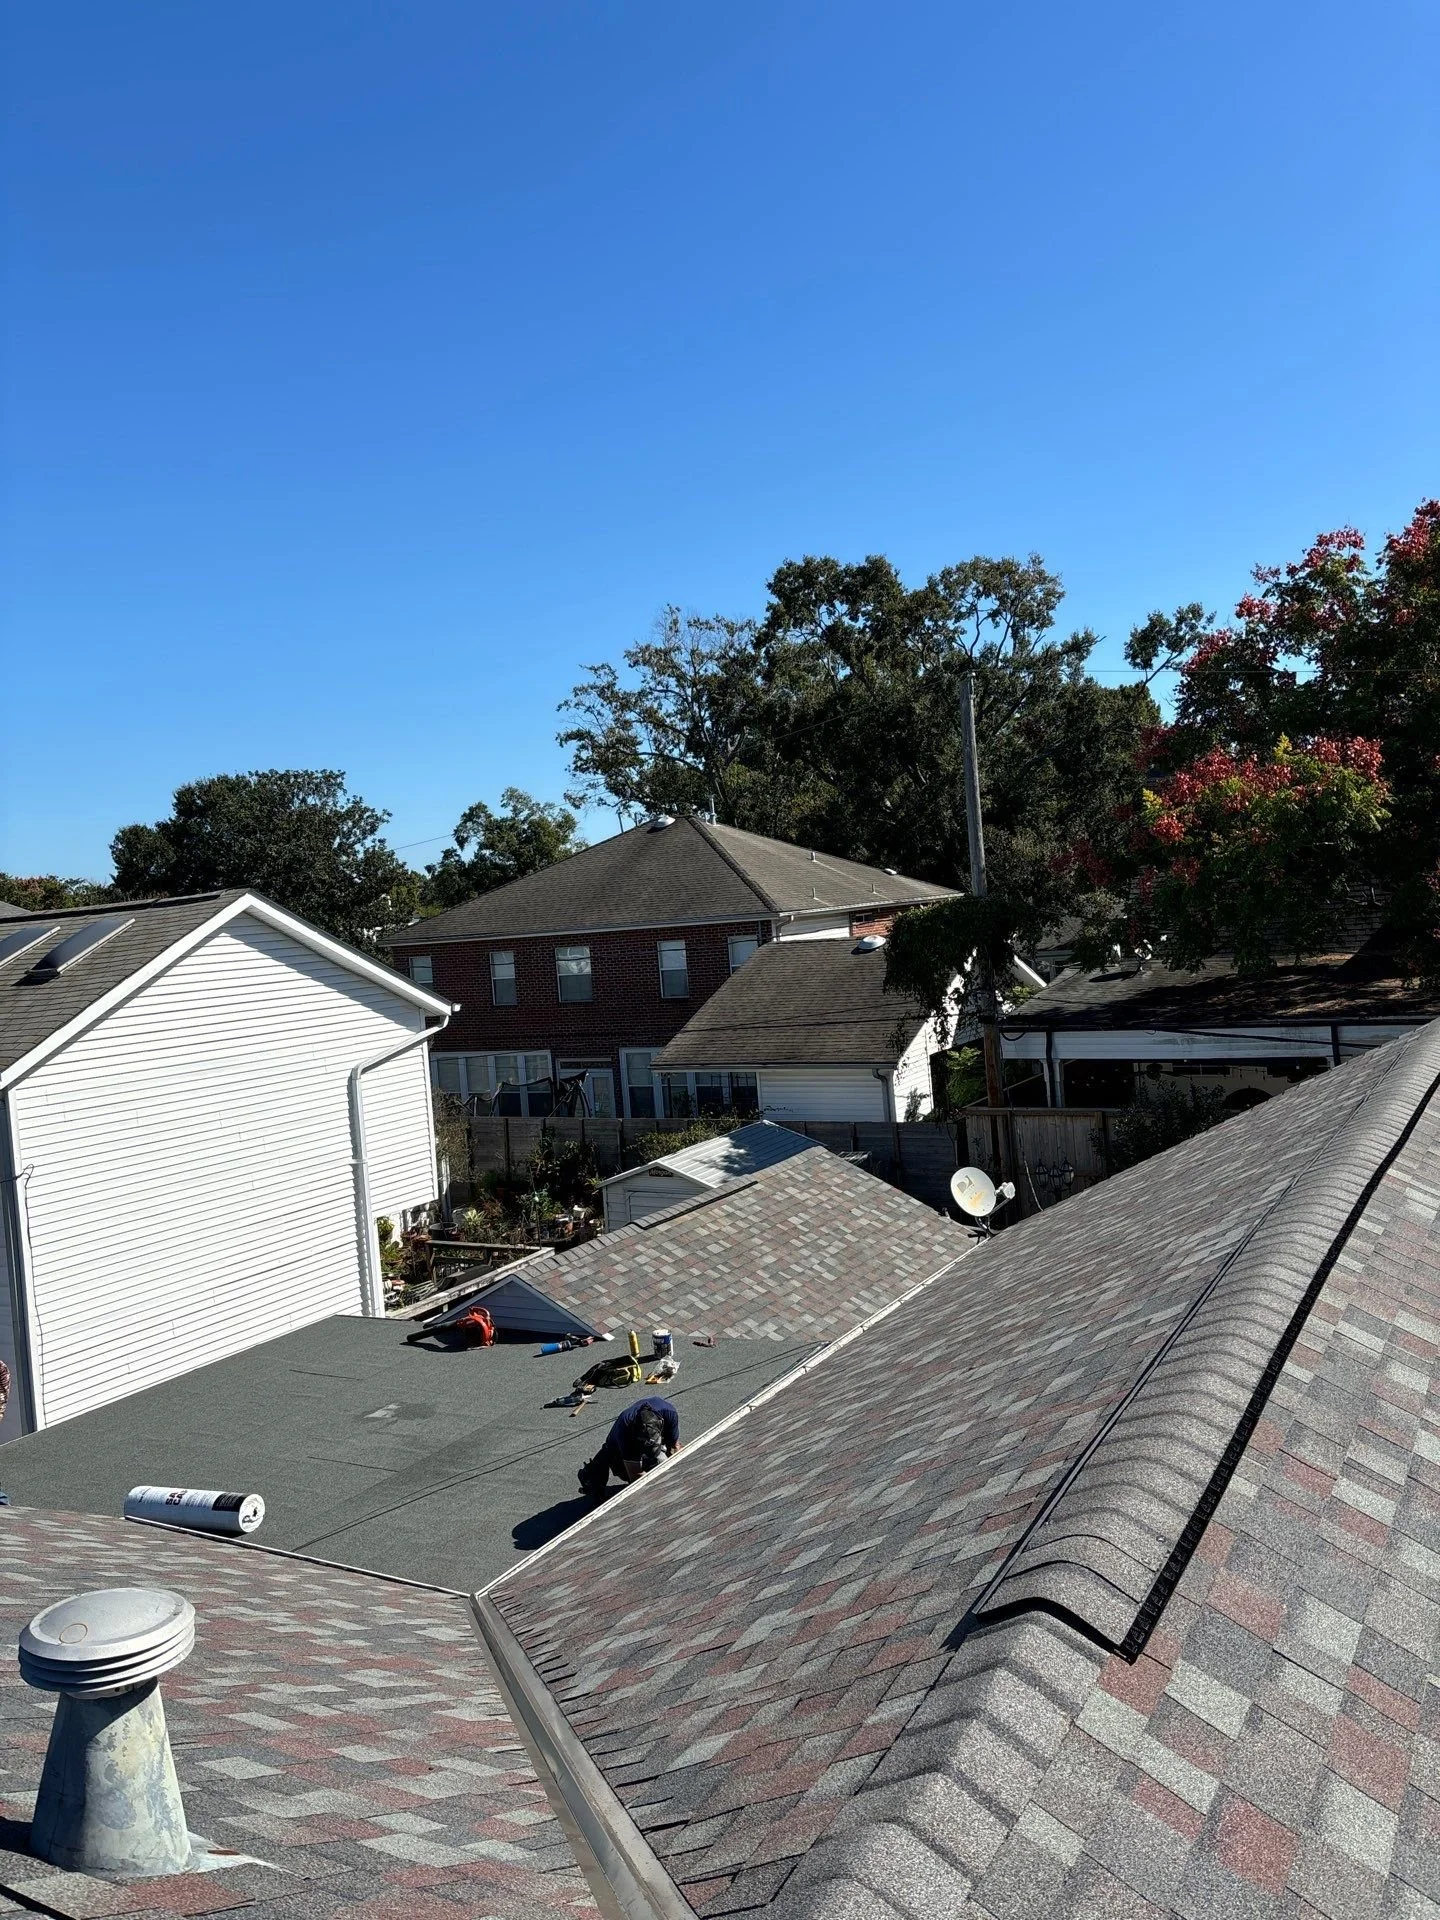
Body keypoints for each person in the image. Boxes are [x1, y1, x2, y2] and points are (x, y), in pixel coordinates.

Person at [577, 1395, 680, 1500]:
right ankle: (592, 1480)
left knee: (661, 1460)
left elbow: (674, 1447)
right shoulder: (625, 1435)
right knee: (617, 1467)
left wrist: (675, 1474)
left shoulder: (669, 1413)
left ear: (661, 1422)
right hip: (618, 1446)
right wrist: (658, 1489)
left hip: (650, 1434)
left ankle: (653, 1458)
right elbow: (635, 1475)